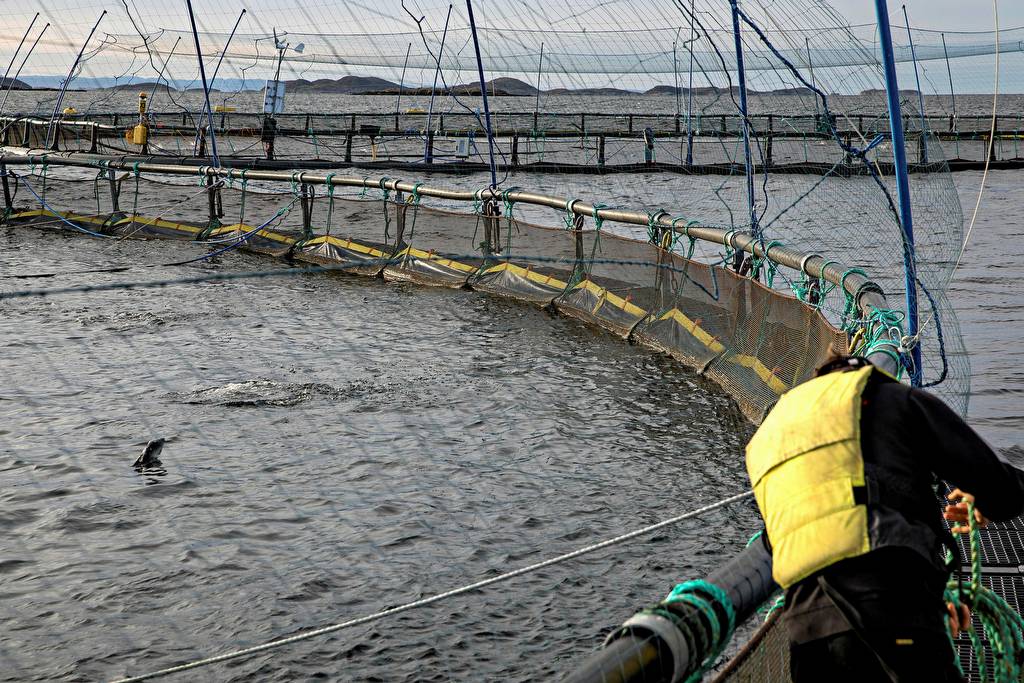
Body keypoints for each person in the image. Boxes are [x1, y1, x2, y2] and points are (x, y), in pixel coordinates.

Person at [744, 353, 1024, 683]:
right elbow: (1004, 493)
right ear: (865, 376)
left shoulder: (769, 437)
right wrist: (985, 504)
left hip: (807, 630)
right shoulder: (895, 399)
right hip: (896, 608)